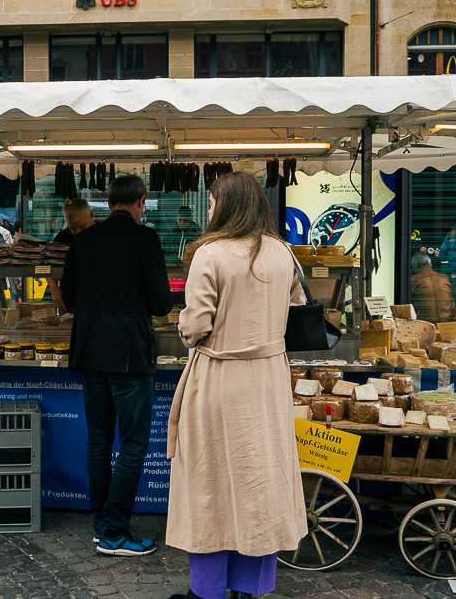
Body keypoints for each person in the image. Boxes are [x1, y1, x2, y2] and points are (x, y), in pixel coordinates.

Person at [164, 171, 306, 599]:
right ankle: (252, 587)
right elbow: (297, 311)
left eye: (210, 203)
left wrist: (187, 328)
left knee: (209, 482)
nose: (208, 210)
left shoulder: (211, 253)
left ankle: (206, 591)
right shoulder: (284, 253)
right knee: (260, 479)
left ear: (226, 206)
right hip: (268, 381)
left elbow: (195, 325)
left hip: (219, 380)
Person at [61, 174, 173, 556]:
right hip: (127, 354)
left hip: (89, 349)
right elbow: (161, 303)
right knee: (134, 443)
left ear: (108, 203)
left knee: (98, 441)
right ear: (141, 201)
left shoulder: (85, 239)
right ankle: (113, 532)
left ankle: (101, 523)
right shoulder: (146, 238)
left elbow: (70, 298)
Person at [49, 199, 96, 312]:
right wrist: (53, 287)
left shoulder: (104, 235)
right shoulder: (61, 239)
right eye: (73, 228)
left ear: (91, 215)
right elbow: (48, 264)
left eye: (82, 226)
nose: (78, 232)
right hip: (70, 302)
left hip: (99, 301)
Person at [410, 252, 456, 323]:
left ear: (414, 267)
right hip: (447, 326)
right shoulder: (444, 278)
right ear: (431, 264)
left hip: (425, 326)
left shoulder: (412, 281)